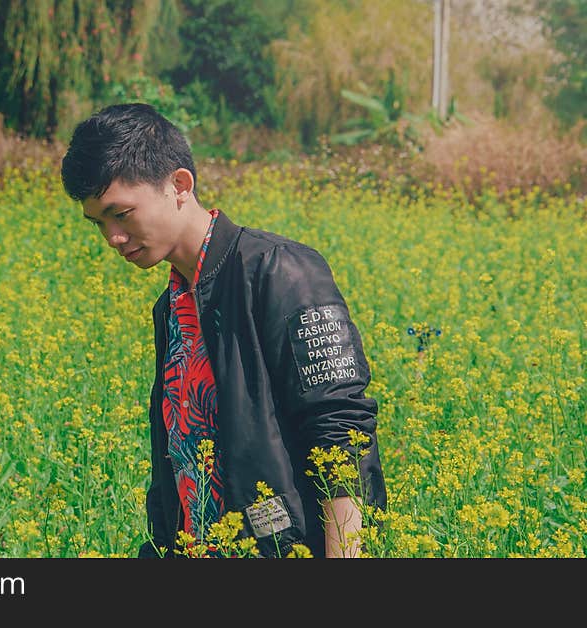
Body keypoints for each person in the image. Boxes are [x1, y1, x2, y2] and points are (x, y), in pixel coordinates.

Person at [60, 102, 387, 558]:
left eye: (122, 214)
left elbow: (340, 430)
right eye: (99, 223)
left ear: (179, 185)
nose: (112, 237)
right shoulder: (171, 305)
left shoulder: (280, 271)